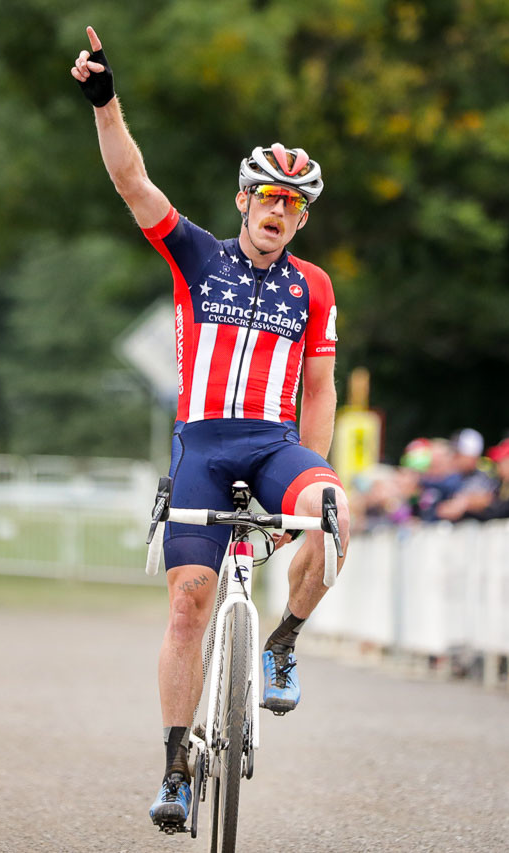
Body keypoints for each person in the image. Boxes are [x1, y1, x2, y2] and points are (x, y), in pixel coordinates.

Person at [72, 26, 351, 829]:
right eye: (268, 197)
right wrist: (104, 101)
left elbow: (321, 387)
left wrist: (312, 480)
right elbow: (132, 180)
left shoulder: (316, 288)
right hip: (202, 441)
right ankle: (176, 767)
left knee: (335, 516)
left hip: (275, 443)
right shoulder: (198, 256)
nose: (279, 211)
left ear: (302, 220)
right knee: (189, 603)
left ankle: (283, 640)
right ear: (243, 201)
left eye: (293, 204)